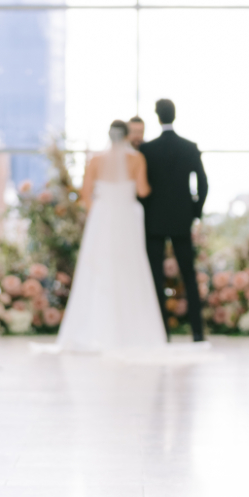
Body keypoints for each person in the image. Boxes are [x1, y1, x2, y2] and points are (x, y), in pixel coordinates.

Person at [54, 120, 166, 352]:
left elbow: (86, 194)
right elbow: (143, 190)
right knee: (130, 268)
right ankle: (132, 331)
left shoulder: (95, 160)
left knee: (97, 269)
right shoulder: (136, 159)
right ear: (126, 136)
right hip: (126, 216)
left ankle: (96, 329)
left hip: (103, 217)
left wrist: (99, 212)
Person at [138, 99, 208, 342]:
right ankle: (197, 332)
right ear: (174, 115)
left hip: (153, 221)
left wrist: (146, 210)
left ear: (157, 117)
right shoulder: (189, 147)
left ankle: (162, 333)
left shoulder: (147, 150)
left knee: (156, 276)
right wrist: (194, 211)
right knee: (189, 274)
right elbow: (203, 184)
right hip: (181, 220)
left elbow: (141, 188)